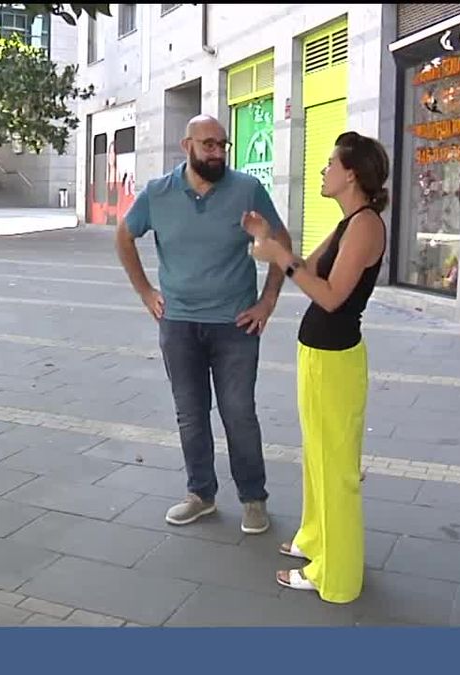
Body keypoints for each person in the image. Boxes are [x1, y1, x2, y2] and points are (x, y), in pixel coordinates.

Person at [116, 114, 293, 535]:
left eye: (222, 145)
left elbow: (281, 244)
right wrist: (145, 291)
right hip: (178, 325)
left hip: (235, 325)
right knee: (190, 414)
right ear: (187, 146)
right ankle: (201, 494)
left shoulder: (247, 189)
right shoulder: (158, 193)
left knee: (238, 413)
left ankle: (253, 498)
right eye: (208, 144)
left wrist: (267, 302)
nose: (217, 152)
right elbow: (124, 235)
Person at [244, 131, 390, 603]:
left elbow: (330, 297)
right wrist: (268, 240)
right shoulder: (350, 221)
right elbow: (307, 265)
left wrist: (280, 258)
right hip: (319, 356)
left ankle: (337, 574)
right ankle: (316, 540)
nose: (323, 171)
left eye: (330, 163)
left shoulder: (366, 225)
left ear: (351, 173)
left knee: (336, 470)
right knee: (317, 460)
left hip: (336, 359)